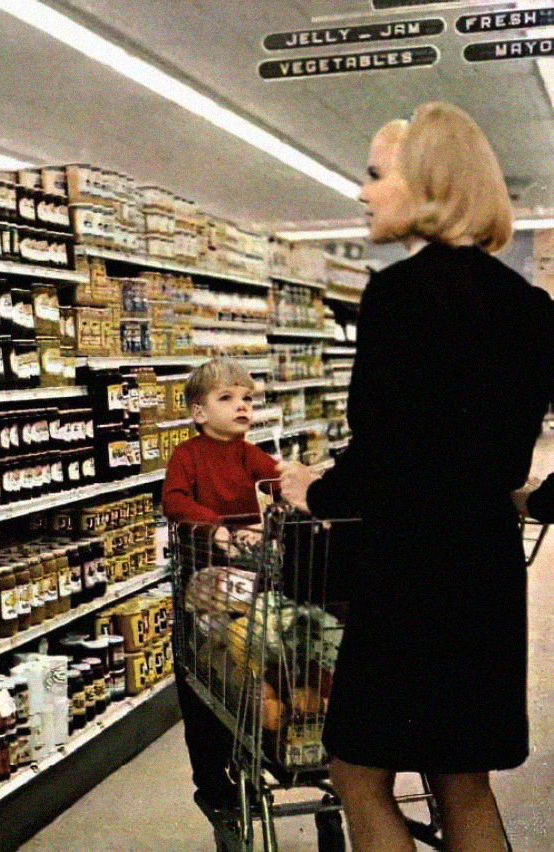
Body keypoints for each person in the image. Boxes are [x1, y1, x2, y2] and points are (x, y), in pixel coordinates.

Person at [278, 102, 554, 852]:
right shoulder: (530, 306)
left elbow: (387, 454)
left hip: (409, 574)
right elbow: (464, 447)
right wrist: (537, 493)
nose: (364, 193)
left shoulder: (400, 295)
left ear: (427, 181)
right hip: (485, 570)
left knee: (357, 770)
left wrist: (314, 490)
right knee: (463, 778)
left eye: (375, 175)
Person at [162, 357, 279, 811]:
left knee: (250, 660)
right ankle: (213, 778)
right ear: (198, 413)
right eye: (227, 398)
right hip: (204, 579)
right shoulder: (186, 455)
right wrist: (216, 527)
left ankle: (259, 729)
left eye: (247, 398)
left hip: (253, 576)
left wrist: (290, 499)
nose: (242, 406)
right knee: (203, 675)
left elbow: (276, 484)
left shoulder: (251, 454)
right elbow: (174, 500)